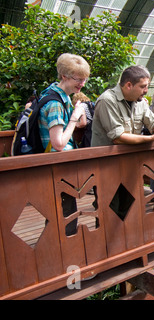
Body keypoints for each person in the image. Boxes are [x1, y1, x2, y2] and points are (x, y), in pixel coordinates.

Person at [38, 53, 90, 236]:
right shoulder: (55, 103)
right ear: (64, 76)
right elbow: (59, 143)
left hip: (58, 165)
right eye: (78, 79)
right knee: (65, 213)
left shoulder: (60, 96)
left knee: (63, 212)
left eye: (84, 79)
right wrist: (75, 118)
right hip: (57, 165)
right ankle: (59, 253)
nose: (82, 84)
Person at [91, 65, 154, 160]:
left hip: (130, 160)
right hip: (106, 163)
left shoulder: (140, 101)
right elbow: (118, 137)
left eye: (147, 86)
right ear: (129, 85)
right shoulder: (107, 100)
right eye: (143, 87)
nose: (146, 91)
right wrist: (150, 139)